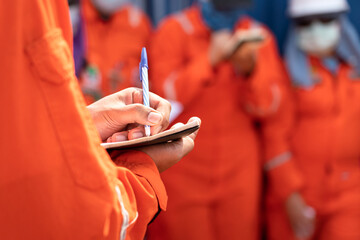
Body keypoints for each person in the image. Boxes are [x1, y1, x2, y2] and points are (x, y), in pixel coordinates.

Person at [0, 0, 200, 239]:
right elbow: (95, 221)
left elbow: (26, 131)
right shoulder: (38, 12)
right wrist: (143, 168)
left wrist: (85, 124)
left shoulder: (135, 25)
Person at [146, 0, 292, 239]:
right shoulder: (174, 30)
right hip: (183, 167)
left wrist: (250, 70)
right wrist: (209, 59)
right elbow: (163, 100)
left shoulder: (258, 36)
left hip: (239, 173)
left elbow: (270, 107)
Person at [265, 0, 360, 239]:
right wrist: (290, 194)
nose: (316, 29)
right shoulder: (285, 74)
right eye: (306, 23)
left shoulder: (354, 72)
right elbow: (274, 137)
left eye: (326, 20)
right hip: (299, 195)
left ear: (340, 22)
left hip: (350, 196)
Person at [79, 0, 152, 103]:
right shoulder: (73, 18)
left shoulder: (138, 23)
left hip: (128, 114)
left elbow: (152, 81)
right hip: (84, 112)